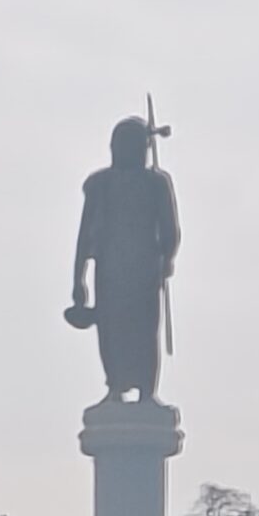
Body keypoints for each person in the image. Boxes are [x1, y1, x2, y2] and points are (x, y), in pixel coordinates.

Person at [68, 117, 180, 400]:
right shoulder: (100, 185)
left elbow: (170, 230)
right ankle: (115, 385)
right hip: (111, 272)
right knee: (111, 330)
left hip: (144, 273)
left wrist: (166, 258)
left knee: (144, 331)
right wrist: (78, 280)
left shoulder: (156, 183)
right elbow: (85, 236)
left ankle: (146, 391)